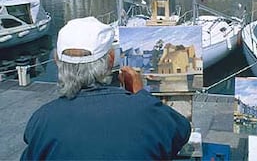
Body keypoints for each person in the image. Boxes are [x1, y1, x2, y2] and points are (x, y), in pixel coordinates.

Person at [21, 16, 191, 160]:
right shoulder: (147, 111)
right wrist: (141, 94)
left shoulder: (42, 120)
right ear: (110, 60)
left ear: (57, 60)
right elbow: (182, 131)